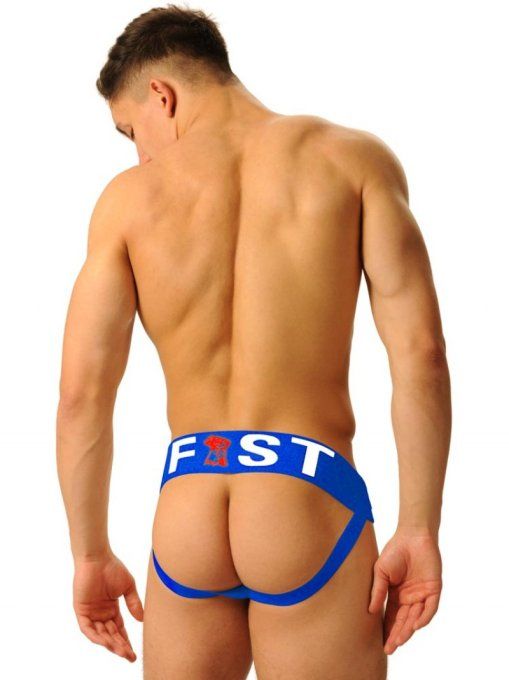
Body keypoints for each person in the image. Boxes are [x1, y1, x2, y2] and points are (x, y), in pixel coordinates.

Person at [56, 5, 452, 679]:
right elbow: (421, 356)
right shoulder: (351, 160)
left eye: (131, 131)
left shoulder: (125, 201)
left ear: (161, 95)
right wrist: (419, 528)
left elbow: (80, 397)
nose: (139, 154)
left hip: (188, 503)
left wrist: (89, 554)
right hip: (304, 499)